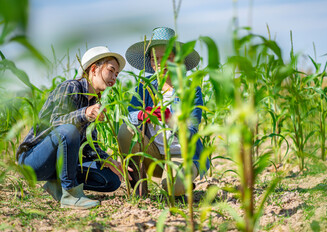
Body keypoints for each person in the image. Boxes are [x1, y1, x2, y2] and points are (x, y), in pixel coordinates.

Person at [17, 46, 131, 209]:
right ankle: (70, 193)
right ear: (93, 69)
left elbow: (89, 143)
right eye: (111, 70)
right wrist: (84, 113)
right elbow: (55, 123)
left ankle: (55, 184)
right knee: (69, 130)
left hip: (56, 163)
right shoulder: (71, 87)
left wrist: (106, 159)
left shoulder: (93, 102)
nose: (114, 78)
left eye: (117, 74)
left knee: (111, 180)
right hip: (33, 160)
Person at [118, 27, 210, 197]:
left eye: (166, 57)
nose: (159, 63)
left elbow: (192, 130)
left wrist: (171, 120)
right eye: (155, 59)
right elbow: (129, 116)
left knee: (172, 189)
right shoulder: (144, 87)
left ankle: (183, 183)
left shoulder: (190, 90)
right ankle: (139, 190)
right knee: (125, 131)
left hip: (181, 155)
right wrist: (140, 115)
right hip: (154, 155)